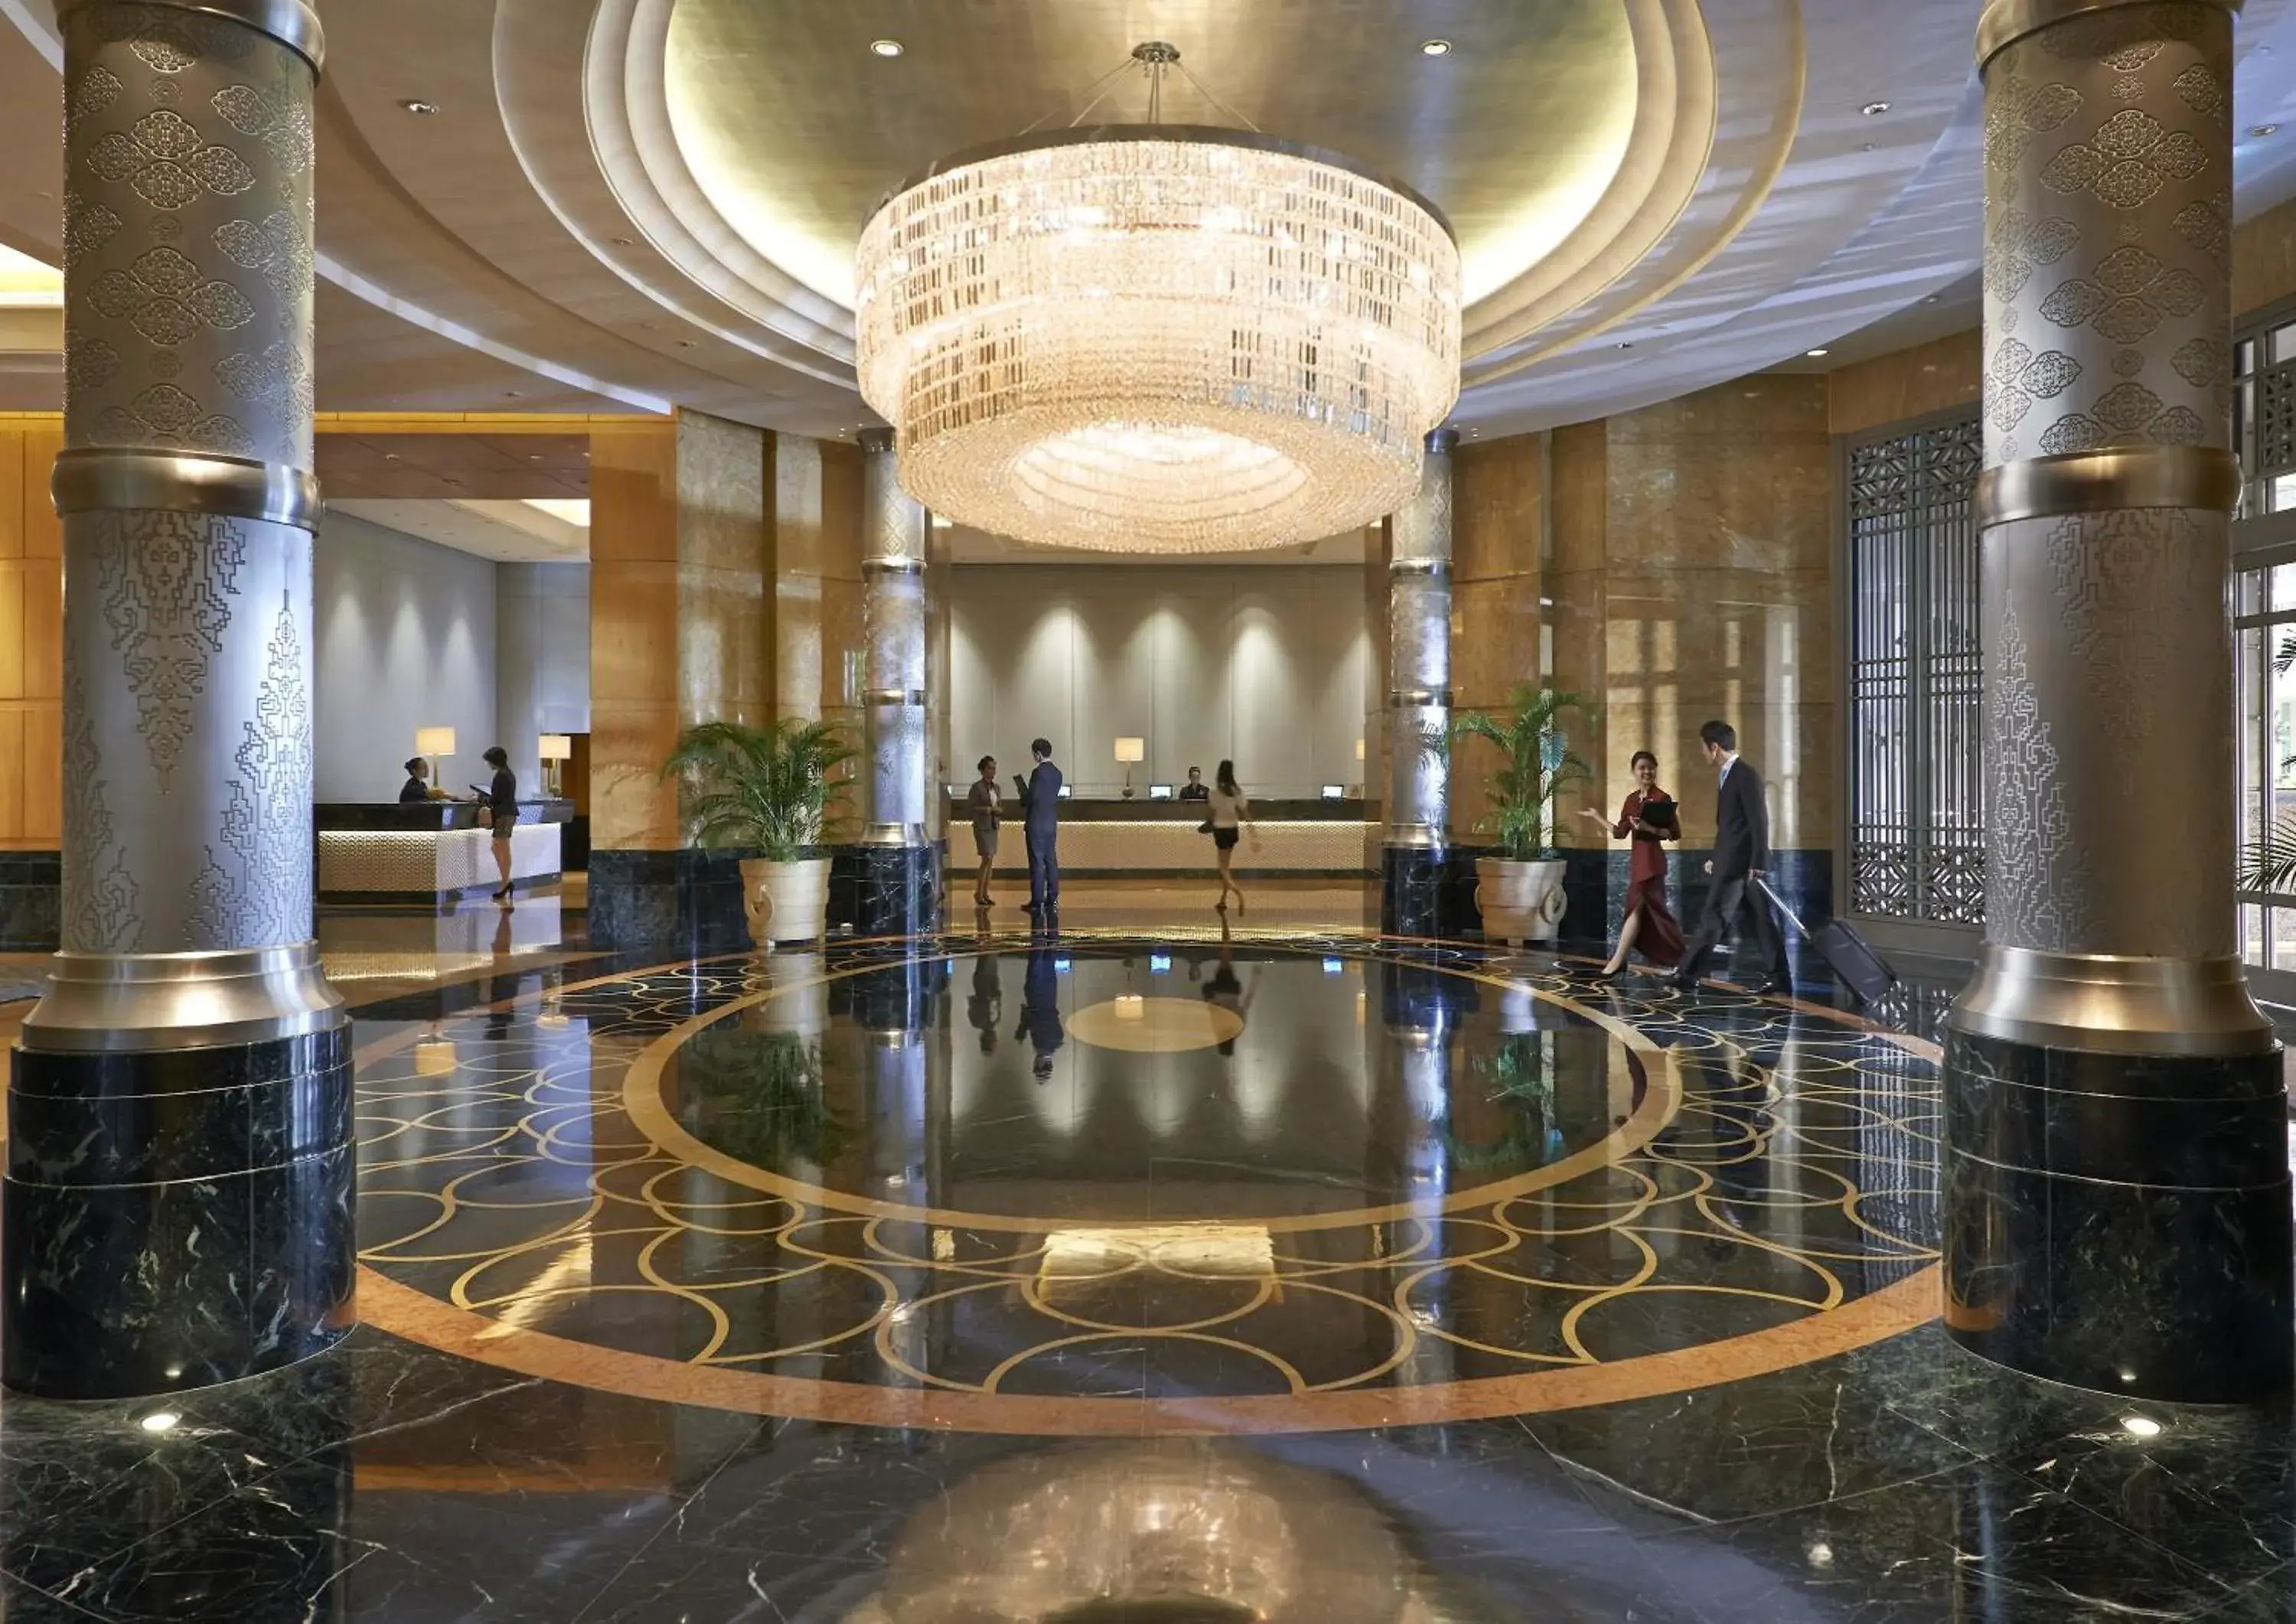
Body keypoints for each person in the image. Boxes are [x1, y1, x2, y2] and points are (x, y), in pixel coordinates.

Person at [1671, 721, 1788, 995]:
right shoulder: (1728, 774)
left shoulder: (1745, 775)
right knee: (1762, 921)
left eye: (1703, 747)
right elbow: (1731, 826)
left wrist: (1758, 863)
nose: (1702, 753)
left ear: (1714, 747)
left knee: (1714, 916)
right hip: (1732, 861)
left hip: (1741, 866)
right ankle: (1781, 979)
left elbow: (1759, 821)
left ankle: (1687, 975)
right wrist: (1716, 856)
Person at [1577, 749, 1684, 978]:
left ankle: (1617, 961)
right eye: (1641, 768)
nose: (1646, 771)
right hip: (1638, 863)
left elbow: (1674, 834)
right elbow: (1619, 832)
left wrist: (1649, 828)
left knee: (1637, 909)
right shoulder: (1631, 800)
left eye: (1650, 767)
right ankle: (1678, 957)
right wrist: (1596, 816)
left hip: (1653, 864)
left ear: (1655, 770)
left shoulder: (1662, 798)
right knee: (1653, 913)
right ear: (1634, 772)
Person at [1016, 737, 1062, 917]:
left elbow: (1032, 798)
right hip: (1051, 822)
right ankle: (1052, 898)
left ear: (1038, 753)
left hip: (1036, 823)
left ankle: (1037, 901)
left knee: (1037, 862)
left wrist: (1022, 793)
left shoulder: (1038, 772)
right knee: (1051, 861)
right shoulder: (1058, 773)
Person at [1206, 758, 1254, 914]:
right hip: (1233, 830)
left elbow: (1211, 814)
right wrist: (1253, 832)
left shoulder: (1214, 793)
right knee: (1226, 867)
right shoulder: (1237, 792)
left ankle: (1238, 894)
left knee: (1223, 869)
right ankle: (1223, 900)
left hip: (1220, 831)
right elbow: (1245, 812)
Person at [481, 745, 518, 904]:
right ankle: (505, 881)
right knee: (502, 847)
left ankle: (505, 881)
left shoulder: (500, 776)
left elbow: (496, 798)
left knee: (498, 847)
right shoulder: (509, 774)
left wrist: (483, 799)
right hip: (509, 813)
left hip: (503, 815)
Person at [967, 755, 1002, 908]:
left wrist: (998, 810)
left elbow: (999, 805)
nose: (993, 771)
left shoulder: (996, 788)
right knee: (986, 857)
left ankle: (985, 893)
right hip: (982, 827)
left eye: (994, 768)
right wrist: (988, 809)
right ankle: (978, 893)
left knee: (990, 860)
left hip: (993, 826)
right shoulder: (977, 787)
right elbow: (970, 807)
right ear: (983, 770)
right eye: (990, 768)